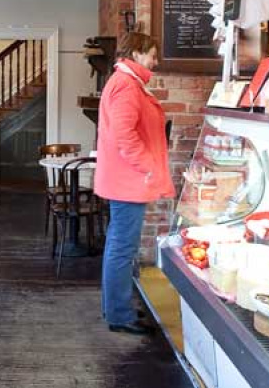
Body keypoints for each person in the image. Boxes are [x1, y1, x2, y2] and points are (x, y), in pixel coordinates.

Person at [94, 32, 175, 335]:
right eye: (152, 55)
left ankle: (116, 307)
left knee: (119, 245)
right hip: (128, 181)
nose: (155, 61)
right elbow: (125, 136)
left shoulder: (126, 82)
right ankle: (120, 314)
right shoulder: (127, 85)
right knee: (122, 247)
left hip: (124, 180)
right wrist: (148, 167)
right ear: (137, 53)